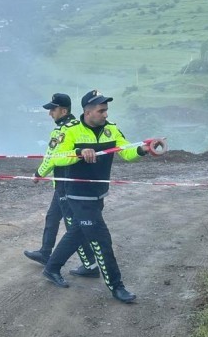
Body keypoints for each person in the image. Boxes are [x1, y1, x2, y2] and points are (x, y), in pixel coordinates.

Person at [40, 89, 166, 304]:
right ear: (88, 112)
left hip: (98, 193)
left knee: (78, 232)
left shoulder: (111, 130)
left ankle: (51, 268)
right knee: (102, 238)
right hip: (77, 195)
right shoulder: (70, 131)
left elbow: (126, 152)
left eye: (106, 110)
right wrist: (79, 154)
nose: (106, 114)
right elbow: (56, 159)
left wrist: (144, 149)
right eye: (101, 110)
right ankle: (117, 287)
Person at [24, 93, 96, 274]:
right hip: (66, 184)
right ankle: (45, 252)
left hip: (66, 185)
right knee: (52, 217)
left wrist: (38, 174)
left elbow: (52, 158)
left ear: (63, 110)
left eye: (52, 110)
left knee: (73, 227)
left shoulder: (63, 130)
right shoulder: (78, 126)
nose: (50, 114)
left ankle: (90, 266)